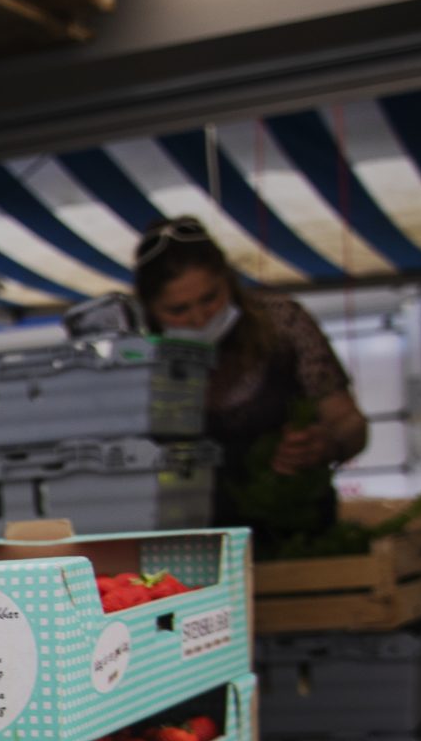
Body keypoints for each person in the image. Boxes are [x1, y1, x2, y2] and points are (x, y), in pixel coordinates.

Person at [132, 215, 369, 550]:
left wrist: (328, 442)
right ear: (149, 310)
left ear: (228, 280)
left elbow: (350, 422)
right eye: (178, 310)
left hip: (297, 536)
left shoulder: (283, 324)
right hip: (192, 548)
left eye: (210, 298)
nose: (200, 318)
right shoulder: (136, 360)